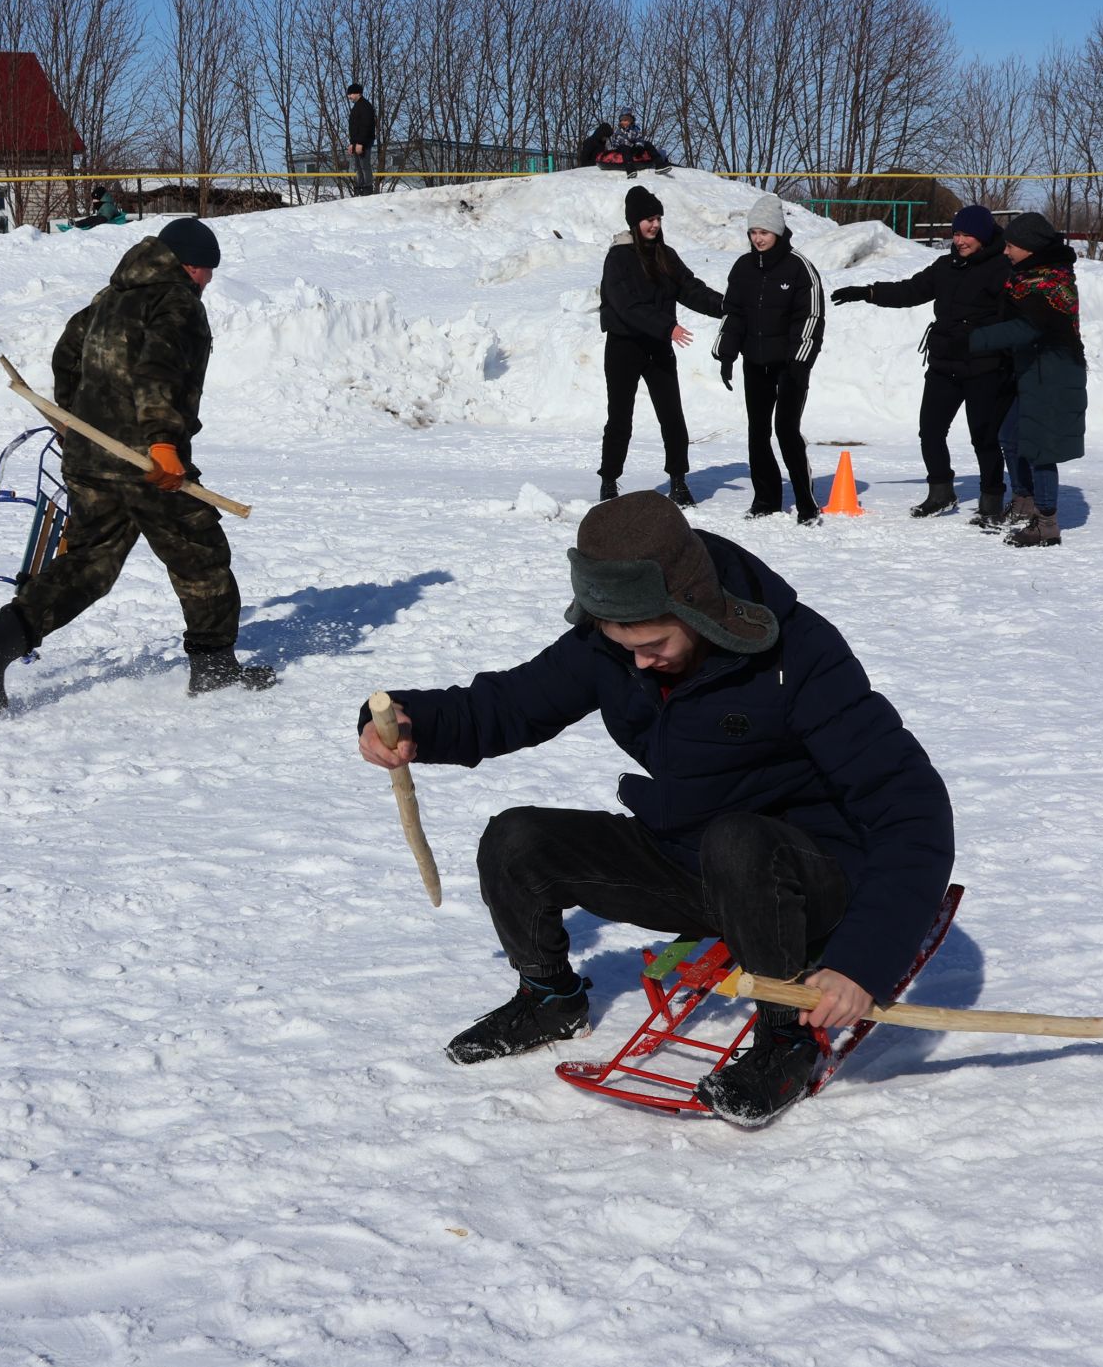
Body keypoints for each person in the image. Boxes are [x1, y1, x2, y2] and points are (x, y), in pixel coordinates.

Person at [357, 491, 955, 1128]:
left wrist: (861, 963)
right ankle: (549, 997)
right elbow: (508, 705)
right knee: (517, 839)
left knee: (739, 843)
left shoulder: (798, 657)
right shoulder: (614, 644)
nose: (638, 661)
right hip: (694, 858)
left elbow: (912, 810)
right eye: (621, 644)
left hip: (805, 879)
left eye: (652, 643)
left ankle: (787, 1038)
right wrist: (410, 721)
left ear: (696, 605)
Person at [0, 218, 278, 712]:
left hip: (89, 455)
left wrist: (75, 420)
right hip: (146, 461)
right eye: (206, 271)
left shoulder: (110, 297)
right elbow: (160, 373)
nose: (208, 281)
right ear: (190, 266)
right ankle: (214, 668)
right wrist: (164, 441)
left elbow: (67, 354)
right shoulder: (176, 302)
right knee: (200, 555)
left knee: (90, 563)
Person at [830, 204, 1013, 522]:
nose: (959, 241)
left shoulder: (1001, 269)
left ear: (982, 235)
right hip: (944, 363)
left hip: (985, 367)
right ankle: (941, 491)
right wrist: (870, 292)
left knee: (984, 437)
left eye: (966, 234)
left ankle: (992, 499)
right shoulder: (946, 266)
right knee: (930, 431)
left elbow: (1015, 317)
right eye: (956, 234)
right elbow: (911, 290)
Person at [598, 185, 725, 508]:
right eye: (647, 219)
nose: (654, 225)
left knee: (672, 415)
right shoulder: (618, 258)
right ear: (633, 222)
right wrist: (667, 326)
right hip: (624, 347)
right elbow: (627, 305)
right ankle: (609, 481)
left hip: (658, 347)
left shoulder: (665, 256)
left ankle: (679, 480)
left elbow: (690, 288)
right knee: (620, 418)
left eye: (657, 218)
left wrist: (726, 306)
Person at [968, 212, 1086, 548]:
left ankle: (1046, 522)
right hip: (1027, 369)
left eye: (1012, 246)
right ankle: (1024, 499)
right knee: (1010, 435)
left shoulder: (1053, 283)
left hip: (1053, 371)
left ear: (1031, 248)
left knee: (1040, 446)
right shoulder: (1025, 275)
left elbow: (1028, 327)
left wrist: (974, 339)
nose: (1006, 251)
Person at [716, 195, 825, 523]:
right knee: (757, 431)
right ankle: (766, 499)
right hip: (755, 363)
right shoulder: (743, 268)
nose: (758, 238)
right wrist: (726, 354)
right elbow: (733, 314)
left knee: (786, 430)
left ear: (778, 230)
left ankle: (806, 502)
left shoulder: (798, 267)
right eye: (753, 232)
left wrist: (799, 360)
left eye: (764, 231)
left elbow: (811, 317)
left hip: (790, 365)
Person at [345, 83, 377, 197]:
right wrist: (352, 144)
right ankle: (359, 188)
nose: (349, 97)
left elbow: (365, 126)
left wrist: (360, 143)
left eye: (351, 94)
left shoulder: (365, 106)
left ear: (358, 93)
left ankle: (367, 189)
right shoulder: (357, 107)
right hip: (357, 142)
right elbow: (354, 128)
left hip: (364, 142)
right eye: (348, 94)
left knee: (364, 166)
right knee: (358, 167)